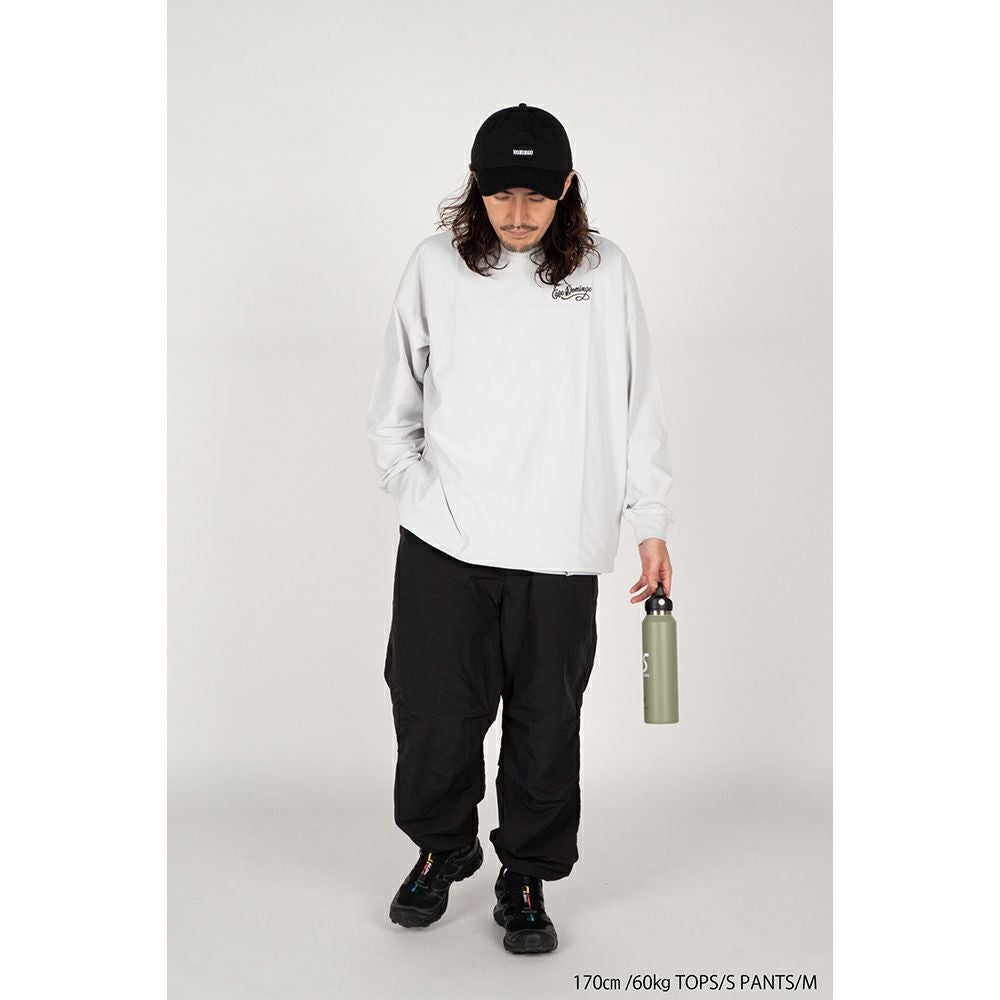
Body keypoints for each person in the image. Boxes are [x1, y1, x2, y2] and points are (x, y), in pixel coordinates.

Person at [365, 102, 675, 954]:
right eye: (501, 192)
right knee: (432, 713)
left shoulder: (603, 272)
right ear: (477, 187)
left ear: (565, 188)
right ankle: (443, 847)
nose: (517, 211)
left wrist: (649, 522)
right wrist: (413, 490)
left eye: (536, 194)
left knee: (546, 726)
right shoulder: (435, 266)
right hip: (446, 539)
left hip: (560, 543)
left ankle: (526, 874)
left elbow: (638, 404)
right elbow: (394, 402)